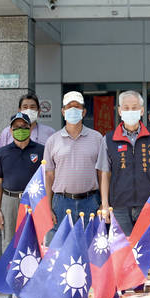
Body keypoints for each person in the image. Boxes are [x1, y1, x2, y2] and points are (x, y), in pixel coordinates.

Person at [98, 91, 150, 235]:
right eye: (126, 108)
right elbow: (104, 173)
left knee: (146, 249)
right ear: (119, 111)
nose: (130, 111)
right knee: (123, 251)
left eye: (134, 107)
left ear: (142, 111)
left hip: (148, 204)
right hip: (119, 206)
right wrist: (105, 204)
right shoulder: (109, 139)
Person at [43, 91, 103, 233]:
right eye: (69, 107)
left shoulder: (97, 138)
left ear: (84, 112)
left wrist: (103, 204)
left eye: (77, 106)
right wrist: (47, 208)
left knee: (90, 250)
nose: (73, 110)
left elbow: (102, 174)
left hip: (91, 201)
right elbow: (49, 176)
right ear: (63, 112)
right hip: (61, 203)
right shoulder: (53, 140)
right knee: (61, 251)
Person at [0, 112, 45, 251]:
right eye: (16, 127)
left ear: (30, 128)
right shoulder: (2, 152)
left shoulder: (41, 150)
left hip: (33, 201)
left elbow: (47, 178)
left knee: (34, 240)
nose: (20, 129)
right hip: (10, 200)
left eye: (24, 126)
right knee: (10, 241)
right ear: (10, 130)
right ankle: (9, 272)